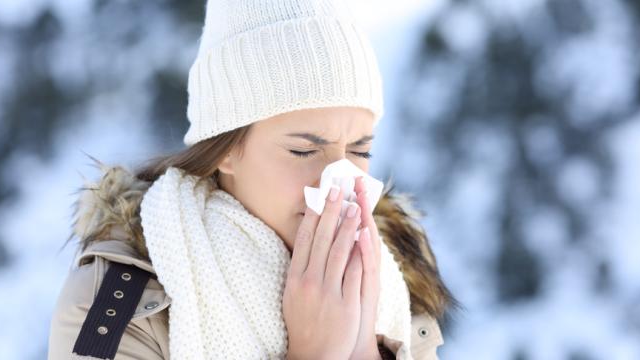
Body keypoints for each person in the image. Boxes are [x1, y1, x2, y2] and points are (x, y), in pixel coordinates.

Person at [47, 0, 458, 359]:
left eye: (359, 151)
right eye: (304, 150)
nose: (341, 183)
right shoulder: (120, 303)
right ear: (227, 148)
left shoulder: (391, 286)